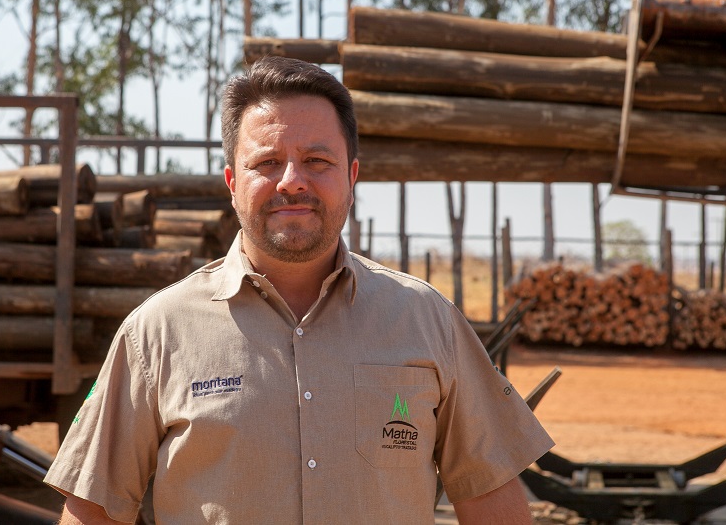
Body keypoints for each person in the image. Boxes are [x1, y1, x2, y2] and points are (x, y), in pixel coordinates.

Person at [45, 56, 554, 524]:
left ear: (351, 176)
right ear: (231, 181)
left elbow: (493, 502)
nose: (291, 180)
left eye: (317, 161)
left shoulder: (428, 321)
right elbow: (94, 512)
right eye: (266, 162)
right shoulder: (156, 334)